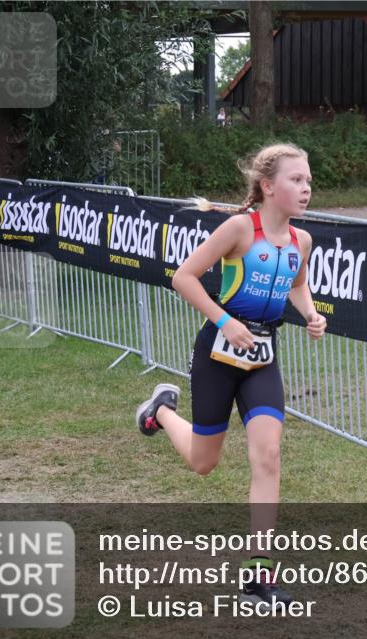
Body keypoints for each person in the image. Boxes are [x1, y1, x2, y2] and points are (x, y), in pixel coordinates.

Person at [134, 143, 326, 609]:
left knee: (269, 455)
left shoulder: (301, 241)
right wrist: (225, 322)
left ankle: (259, 576)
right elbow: (184, 276)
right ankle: (160, 411)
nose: (306, 189)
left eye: (308, 181)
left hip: (263, 357)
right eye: (296, 180)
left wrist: (311, 313)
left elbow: (297, 283)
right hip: (217, 356)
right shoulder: (241, 229)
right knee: (205, 462)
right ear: (267, 186)